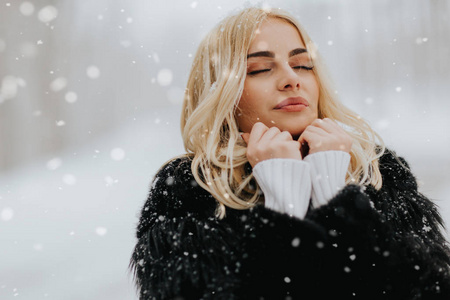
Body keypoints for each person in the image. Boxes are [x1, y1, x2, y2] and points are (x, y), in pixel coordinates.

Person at [129, 6, 450, 299]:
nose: (292, 79)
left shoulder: (377, 169)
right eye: (259, 69)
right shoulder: (190, 187)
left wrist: (335, 196)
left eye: (302, 64)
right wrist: (284, 208)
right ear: (221, 93)